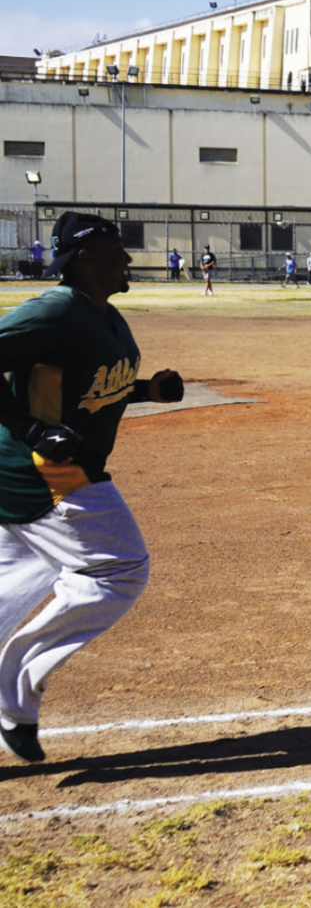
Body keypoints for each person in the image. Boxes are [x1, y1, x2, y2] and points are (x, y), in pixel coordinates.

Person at [0, 211, 184, 763]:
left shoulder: (105, 316)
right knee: (120, 569)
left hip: (32, 476)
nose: (127, 257)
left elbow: (90, 387)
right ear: (85, 256)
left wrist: (147, 391)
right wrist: (31, 429)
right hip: (47, 475)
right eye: (115, 248)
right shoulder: (53, 311)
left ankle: (11, 706)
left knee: (13, 588)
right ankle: (15, 691)